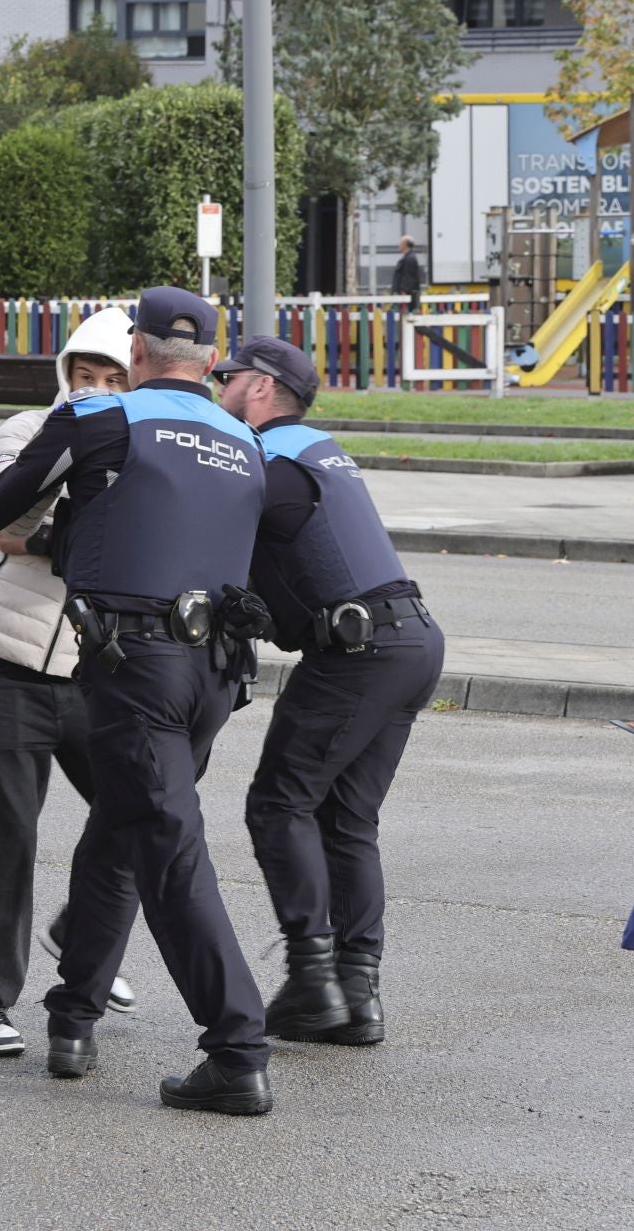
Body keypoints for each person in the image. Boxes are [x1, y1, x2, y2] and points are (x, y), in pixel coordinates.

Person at [0, 287, 278, 1115]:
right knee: (120, 835)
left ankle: (237, 1048)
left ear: (136, 352)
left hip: (135, 667)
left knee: (170, 854)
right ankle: (74, 1016)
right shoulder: (246, 438)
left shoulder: (104, 417)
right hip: (217, 671)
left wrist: (66, 502)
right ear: (212, 362)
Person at [215, 336, 445, 1046]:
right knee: (347, 819)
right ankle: (357, 991)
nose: (218, 388)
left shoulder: (269, 460)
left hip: (361, 651)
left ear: (258, 389)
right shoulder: (319, 451)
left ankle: (313, 979)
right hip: (410, 640)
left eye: (226, 378)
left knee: (279, 803)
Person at [0, 306, 140, 1056]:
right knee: (8, 839)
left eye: (112, 379)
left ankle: (82, 943)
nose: (94, 390)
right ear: (64, 374)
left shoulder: (141, 440)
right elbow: (5, 524)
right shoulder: (33, 429)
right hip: (9, 663)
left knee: (138, 820)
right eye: (83, 376)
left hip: (101, 671)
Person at [391, 234, 424, 309]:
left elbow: (409, 277)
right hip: (404, 295)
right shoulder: (407, 257)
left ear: (405, 244)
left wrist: (404, 291)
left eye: (400, 243)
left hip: (407, 297)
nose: (399, 245)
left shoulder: (410, 258)